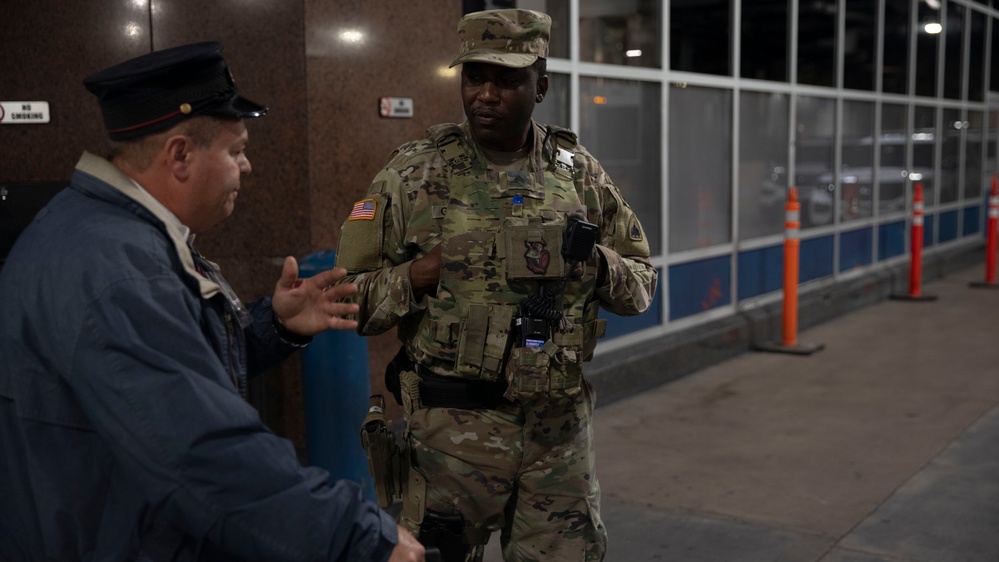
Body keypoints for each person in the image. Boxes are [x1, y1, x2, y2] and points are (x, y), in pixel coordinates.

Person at [0, 41, 425, 562]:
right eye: (235, 150)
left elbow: (165, 374)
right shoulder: (120, 272)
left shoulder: (89, 227)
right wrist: (362, 537)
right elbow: (207, 456)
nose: (246, 167)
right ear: (180, 155)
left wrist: (276, 326)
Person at [335, 9, 657, 562]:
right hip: (450, 439)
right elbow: (348, 302)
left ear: (541, 87)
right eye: (474, 76)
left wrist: (597, 264)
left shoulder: (579, 174)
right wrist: (419, 274)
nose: (485, 94)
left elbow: (642, 287)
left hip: (557, 436)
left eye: (506, 80)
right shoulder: (413, 175)